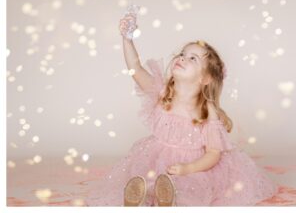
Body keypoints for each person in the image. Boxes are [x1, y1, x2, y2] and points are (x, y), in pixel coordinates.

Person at [88, 11, 276, 206]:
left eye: (193, 58)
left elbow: (213, 153)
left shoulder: (207, 112)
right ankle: (140, 199)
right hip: (156, 159)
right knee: (146, 177)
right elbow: (135, 68)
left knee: (189, 188)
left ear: (206, 78)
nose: (183, 58)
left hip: (192, 168)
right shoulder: (162, 94)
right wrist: (127, 40)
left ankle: (170, 200)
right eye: (182, 54)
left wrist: (189, 168)